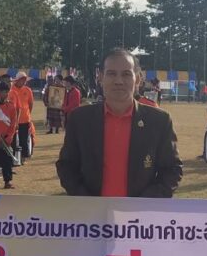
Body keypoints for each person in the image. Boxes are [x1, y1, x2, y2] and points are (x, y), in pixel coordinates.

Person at [56, 48, 183, 197]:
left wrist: (144, 202)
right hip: (92, 210)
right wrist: (87, 200)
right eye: (111, 73)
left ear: (138, 79)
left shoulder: (159, 121)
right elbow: (67, 166)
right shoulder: (80, 119)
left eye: (126, 74)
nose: (118, 81)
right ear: (100, 77)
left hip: (139, 211)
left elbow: (172, 170)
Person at [11, 72, 35, 160]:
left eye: (25, 80)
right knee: (13, 139)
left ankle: (24, 156)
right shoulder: (11, 90)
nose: (24, 82)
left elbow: (30, 104)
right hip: (13, 119)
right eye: (22, 80)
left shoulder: (28, 90)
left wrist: (28, 114)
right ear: (17, 80)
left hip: (25, 119)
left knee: (24, 139)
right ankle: (13, 155)